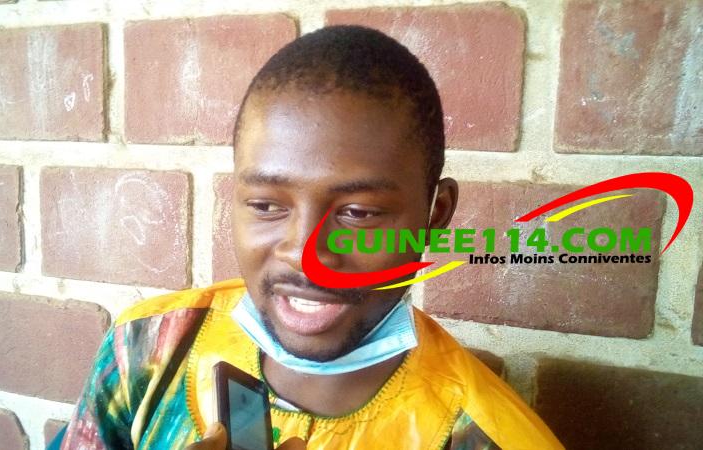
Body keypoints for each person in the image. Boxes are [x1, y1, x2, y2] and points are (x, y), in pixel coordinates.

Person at [49, 25, 563, 450]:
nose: (304, 253)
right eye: (266, 205)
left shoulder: (488, 437)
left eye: (358, 213)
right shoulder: (146, 350)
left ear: (437, 213)